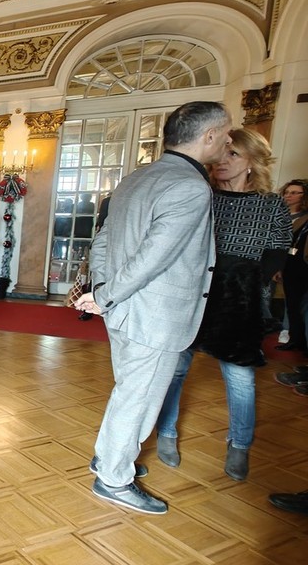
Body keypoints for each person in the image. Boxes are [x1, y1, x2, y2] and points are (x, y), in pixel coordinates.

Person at [74, 101, 231, 515]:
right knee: (138, 397)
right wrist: (105, 295)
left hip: (124, 310)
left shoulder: (137, 176)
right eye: (225, 133)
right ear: (209, 136)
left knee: (130, 391)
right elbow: (153, 258)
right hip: (154, 315)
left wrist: (104, 291)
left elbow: (102, 240)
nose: (229, 140)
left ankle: (110, 456)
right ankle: (114, 479)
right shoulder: (190, 186)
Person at [153, 128, 289, 482]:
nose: (221, 163)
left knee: (241, 377)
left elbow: (278, 248)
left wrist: (251, 283)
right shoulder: (202, 195)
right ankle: (166, 432)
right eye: (220, 155)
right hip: (193, 295)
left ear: (252, 161)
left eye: (233, 155)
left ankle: (239, 444)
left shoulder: (271, 204)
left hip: (239, 300)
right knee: (175, 370)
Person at [277, 179, 308, 351]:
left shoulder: (305, 218)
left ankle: (300, 341)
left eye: (294, 193)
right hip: (287, 265)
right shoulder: (280, 214)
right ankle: (294, 339)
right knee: (292, 305)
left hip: (301, 266)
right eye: (287, 192)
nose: (289, 196)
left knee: (300, 306)